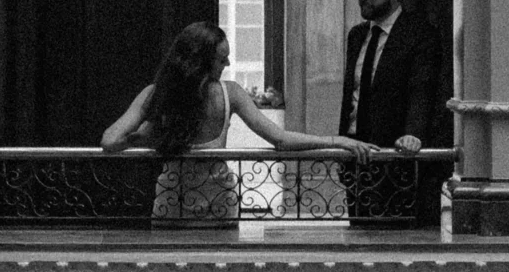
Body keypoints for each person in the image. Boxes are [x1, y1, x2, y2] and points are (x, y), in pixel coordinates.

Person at [102, 21, 376, 226]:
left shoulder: (156, 93)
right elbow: (280, 139)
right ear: (201, 61)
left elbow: (110, 141)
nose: (229, 63)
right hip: (220, 201)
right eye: (222, 59)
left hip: (172, 200)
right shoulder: (229, 92)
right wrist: (335, 141)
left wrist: (144, 137)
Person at [338, 0, 443, 227]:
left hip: (397, 159)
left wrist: (413, 133)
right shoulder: (357, 35)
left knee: (397, 240)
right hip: (356, 156)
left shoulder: (420, 34)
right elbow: (352, 97)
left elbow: (423, 89)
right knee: (358, 237)